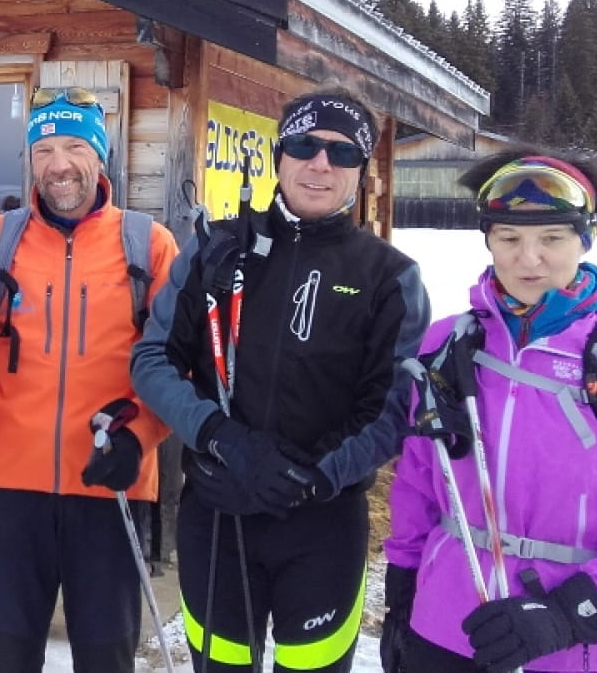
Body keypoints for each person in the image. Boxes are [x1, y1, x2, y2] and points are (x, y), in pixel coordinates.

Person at [131, 85, 431, 672]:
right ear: (279, 155)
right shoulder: (216, 249)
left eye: (342, 153)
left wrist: (312, 477)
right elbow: (153, 361)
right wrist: (221, 437)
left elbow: (394, 406)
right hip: (219, 513)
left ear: (361, 171)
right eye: (304, 145)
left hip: (322, 525)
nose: (321, 163)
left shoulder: (389, 276)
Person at [0, 86, 178, 672]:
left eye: (75, 146)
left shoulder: (148, 246)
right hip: (10, 487)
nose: (59, 165)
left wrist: (138, 437)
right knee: (9, 655)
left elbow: (176, 366)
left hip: (109, 483)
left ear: (101, 158)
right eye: (44, 149)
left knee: (105, 657)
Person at [383, 150, 597, 673]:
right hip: (445, 624)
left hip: (571, 639)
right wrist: (403, 577)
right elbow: (421, 473)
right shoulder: (450, 340)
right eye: (509, 238)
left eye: (552, 239)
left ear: (585, 237)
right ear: (488, 240)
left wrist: (568, 615)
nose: (528, 259)